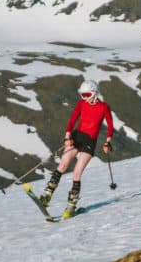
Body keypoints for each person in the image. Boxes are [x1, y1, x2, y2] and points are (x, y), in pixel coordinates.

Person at [41, 80, 113, 212]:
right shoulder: (81, 104)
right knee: (62, 165)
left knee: (77, 173)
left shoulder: (104, 107)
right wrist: (67, 136)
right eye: (82, 95)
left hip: (90, 141)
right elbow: (72, 119)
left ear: (94, 92)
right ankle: (46, 195)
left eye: (86, 94)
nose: (84, 98)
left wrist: (108, 142)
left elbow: (110, 125)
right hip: (77, 136)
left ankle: (71, 206)